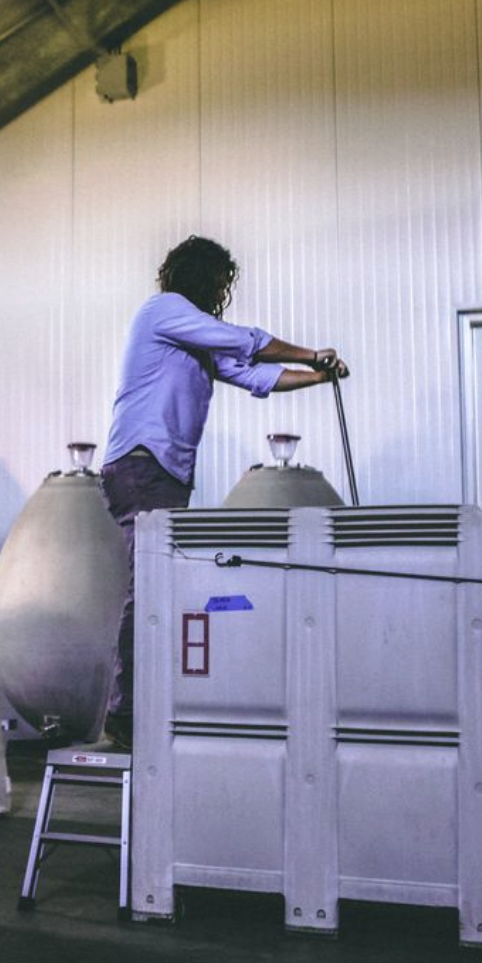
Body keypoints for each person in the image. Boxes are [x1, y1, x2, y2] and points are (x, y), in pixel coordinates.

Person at [100, 235, 349, 747]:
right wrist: (312, 353)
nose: (221, 292)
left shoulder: (195, 339)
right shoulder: (164, 311)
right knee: (148, 588)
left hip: (164, 471)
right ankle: (124, 716)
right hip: (142, 464)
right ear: (198, 277)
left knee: (160, 589)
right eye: (218, 282)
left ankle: (148, 709)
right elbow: (245, 341)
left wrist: (318, 377)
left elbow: (254, 375)